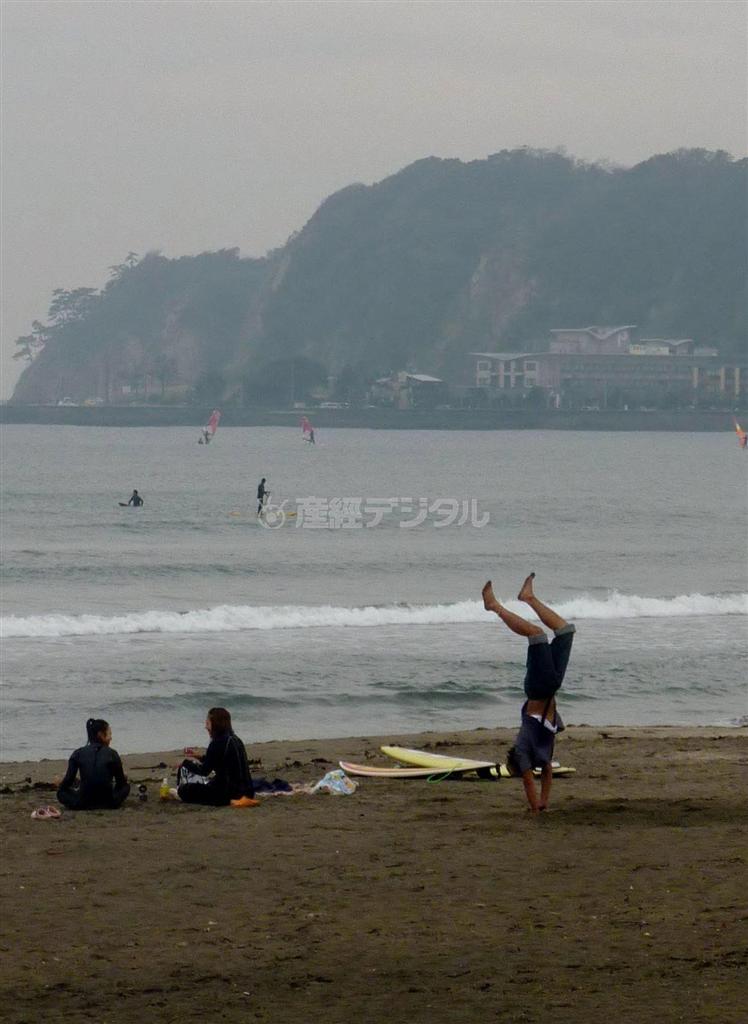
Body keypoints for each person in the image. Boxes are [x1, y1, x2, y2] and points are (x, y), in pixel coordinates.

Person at [482, 573, 575, 814]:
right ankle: (528, 598)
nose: (526, 770)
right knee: (565, 630)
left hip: (538, 687)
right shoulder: (544, 753)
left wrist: (534, 807)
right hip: (551, 685)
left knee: (536, 634)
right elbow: (547, 773)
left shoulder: (523, 749)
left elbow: (528, 781)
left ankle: (494, 606)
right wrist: (544, 803)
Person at [177, 707, 254, 806]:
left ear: (216, 724)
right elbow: (218, 761)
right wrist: (199, 757)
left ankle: (230, 801)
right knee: (212, 782)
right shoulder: (236, 739)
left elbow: (204, 771)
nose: (206, 727)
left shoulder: (216, 743)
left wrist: (184, 763)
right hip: (248, 791)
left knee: (184, 790)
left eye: (208, 723)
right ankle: (237, 799)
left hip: (230, 793)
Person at [57, 718, 130, 810]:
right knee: (126, 787)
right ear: (101, 735)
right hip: (108, 803)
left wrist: (63, 784)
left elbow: (67, 782)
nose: (111, 738)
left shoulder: (78, 753)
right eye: (109, 734)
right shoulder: (112, 754)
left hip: (82, 803)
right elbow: (121, 783)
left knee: (61, 792)